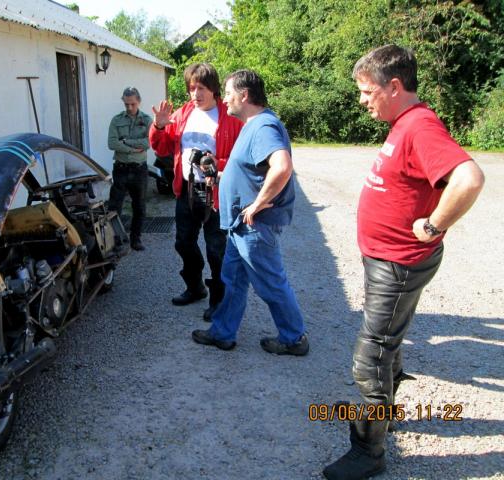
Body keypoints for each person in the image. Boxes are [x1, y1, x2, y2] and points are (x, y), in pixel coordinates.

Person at [323, 45, 485, 480]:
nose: (362, 99)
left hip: (399, 262)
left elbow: (470, 178)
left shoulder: (420, 127)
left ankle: (368, 451)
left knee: (370, 356)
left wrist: (432, 225)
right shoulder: (404, 122)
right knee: (388, 343)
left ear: (394, 87)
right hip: (389, 259)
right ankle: (386, 412)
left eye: (367, 91)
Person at [191, 69, 309, 355]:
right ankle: (223, 332)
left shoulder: (264, 126)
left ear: (244, 95)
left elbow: (282, 167)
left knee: (270, 282)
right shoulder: (252, 125)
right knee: (232, 280)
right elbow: (253, 172)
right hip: (239, 225)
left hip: (254, 225)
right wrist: (221, 179)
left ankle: (294, 338)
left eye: (229, 94)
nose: (225, 99)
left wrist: (256, 204)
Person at [150, 63, 243, 320]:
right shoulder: (183, 114)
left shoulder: (230, 117)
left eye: (201, 88)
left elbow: (242, 158)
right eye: (192, 88)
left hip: (217, 193)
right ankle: (195, 286)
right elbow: (162, 148)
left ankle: (218, 300)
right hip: (188, 190)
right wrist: (158, 127)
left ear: (213, 89)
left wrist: (218, 163)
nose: (195, 94)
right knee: (183, 242)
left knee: (216, 249)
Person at [108, 87, 153, 251]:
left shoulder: (147, 120)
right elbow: (112, 144)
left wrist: (126, 142)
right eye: (126, 104)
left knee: (139, 207)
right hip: (120, 169)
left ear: (138, 102)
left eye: (132, 104)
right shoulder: (116, 120)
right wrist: (134, 148)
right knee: (114, 207)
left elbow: (149, 143)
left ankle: (136, 239)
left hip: (139, 170)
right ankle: (115, 240)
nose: (129, 108)